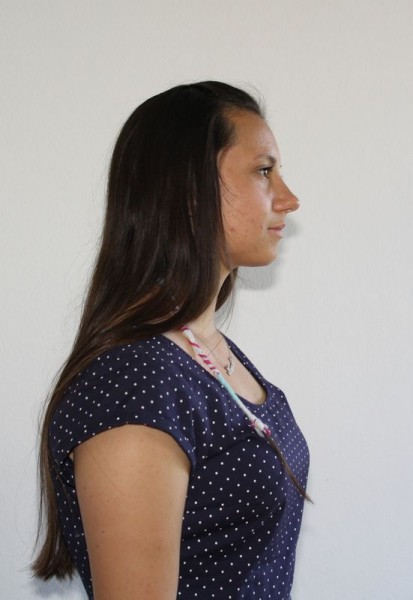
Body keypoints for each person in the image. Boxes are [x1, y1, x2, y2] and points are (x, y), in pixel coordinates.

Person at [33, 81, 310, 600]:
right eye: (264, 171)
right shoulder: (133, 384)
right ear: (190, 191)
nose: (289, 199)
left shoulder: (206, 352)